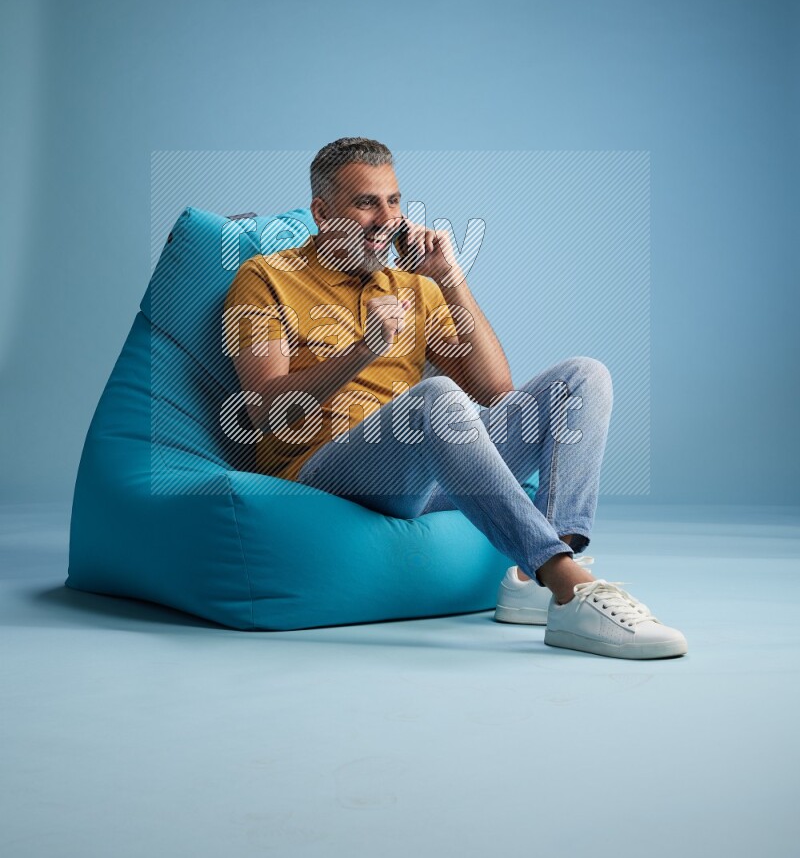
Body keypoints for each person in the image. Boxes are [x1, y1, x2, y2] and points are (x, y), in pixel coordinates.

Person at [222, 137, 688, 660]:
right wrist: (363, 350)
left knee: (582, 378)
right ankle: (567, 583)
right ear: (322, 212)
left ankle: (535, 581)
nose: (387, 219)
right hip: (324, 471)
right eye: (366, 203)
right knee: (436, 398)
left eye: (394, 201)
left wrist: (449, 278)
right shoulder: (265, 278)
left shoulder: (414, 286)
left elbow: (495, 391)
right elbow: (263, 410)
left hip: (422, 473)